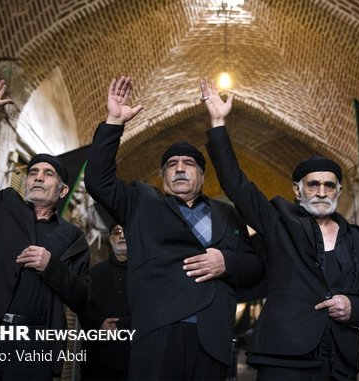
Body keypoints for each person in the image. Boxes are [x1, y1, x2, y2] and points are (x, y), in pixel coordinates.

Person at [84, 76, 265, 380]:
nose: (180, 168)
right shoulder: (142, 202)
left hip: (211, 339)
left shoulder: (228, 214)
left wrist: (226, 262)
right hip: (158, 333)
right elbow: (97, 181)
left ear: (202, 176)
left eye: (188, 163)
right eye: (172, 164)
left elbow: (255, 267)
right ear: (163, 175)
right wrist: (114, 122)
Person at [201, 78, 359, 380]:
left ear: (338, 191)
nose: (321, 192)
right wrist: (219, 123)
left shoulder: (358, 240)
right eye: (313, 185)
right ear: (298, 191)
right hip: (285, 358)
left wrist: (353, 307)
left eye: (329, 185)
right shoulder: (279, 220)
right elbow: (236, 184)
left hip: (339, 361)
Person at [0, 78, 91, 380]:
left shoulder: (73, 237)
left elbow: (83, 299)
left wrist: (50, 265)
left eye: (48, 174)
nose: (38, 177)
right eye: (34, 172)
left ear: (63, 190)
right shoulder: (1, 205)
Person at [78, 223, 130, 380]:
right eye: (117, 232)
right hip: (96, 359)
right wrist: (99, 322)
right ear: (110, 238)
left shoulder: (145, 275)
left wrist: (120, 325)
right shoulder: (94, 272)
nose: (122, 236)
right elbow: (82, 305)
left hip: (131, 359)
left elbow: (151, 310)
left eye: (126, 232)